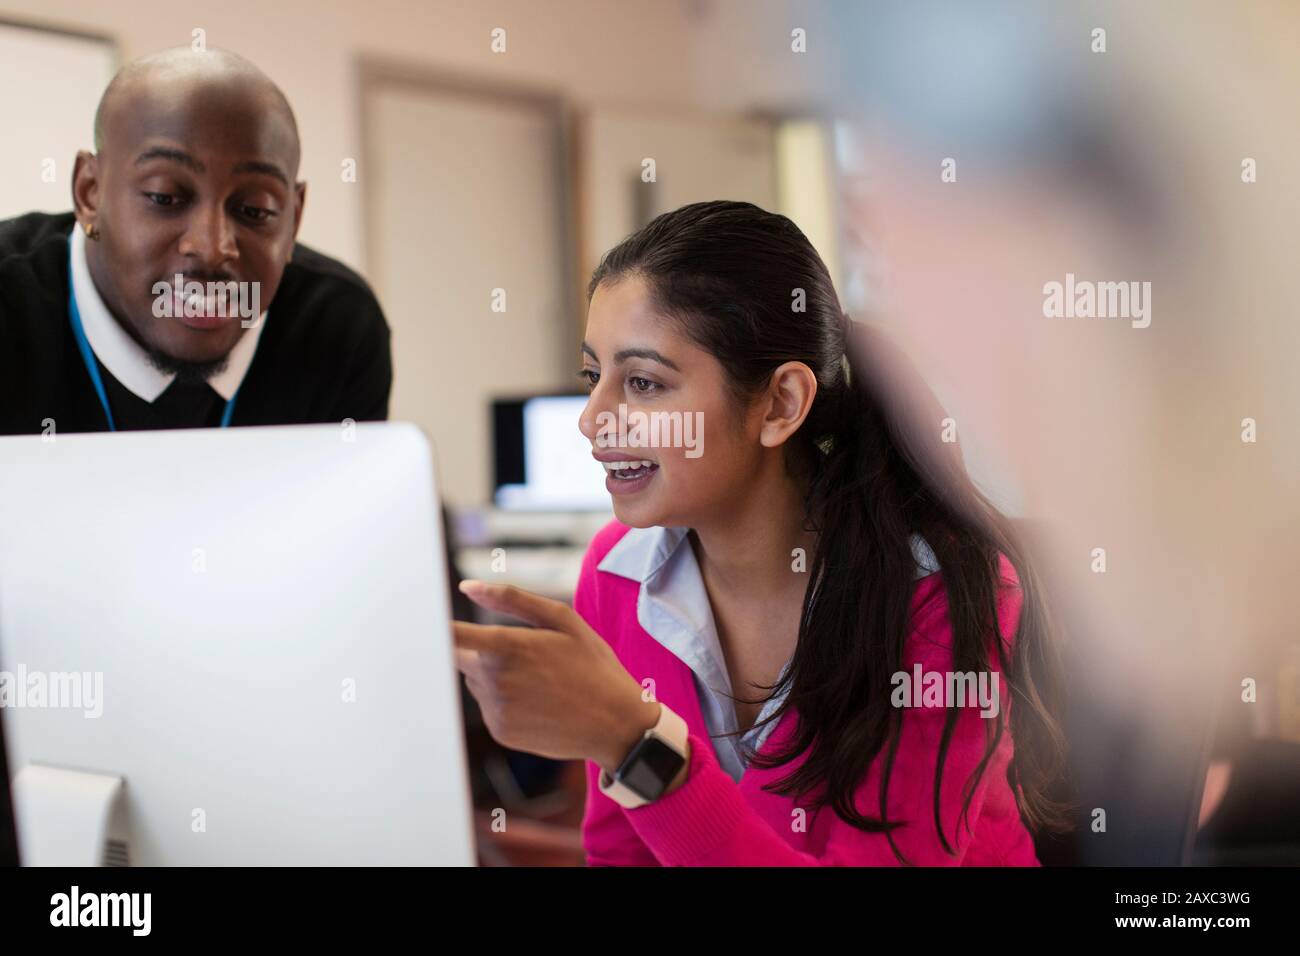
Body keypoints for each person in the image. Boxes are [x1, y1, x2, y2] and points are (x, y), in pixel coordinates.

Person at [454, 199, 1071, 866]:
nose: (593, 419)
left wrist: (638, 746)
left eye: (643, 382)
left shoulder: (933, 591)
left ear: (780, 405)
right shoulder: (615, 571)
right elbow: (618, 855)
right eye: (592, 376)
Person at [0, 47, 390, 435]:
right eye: (164, 197)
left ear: (294, 219)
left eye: (255, 209)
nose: (212, 247)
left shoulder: (336, 330)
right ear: (89, 193)